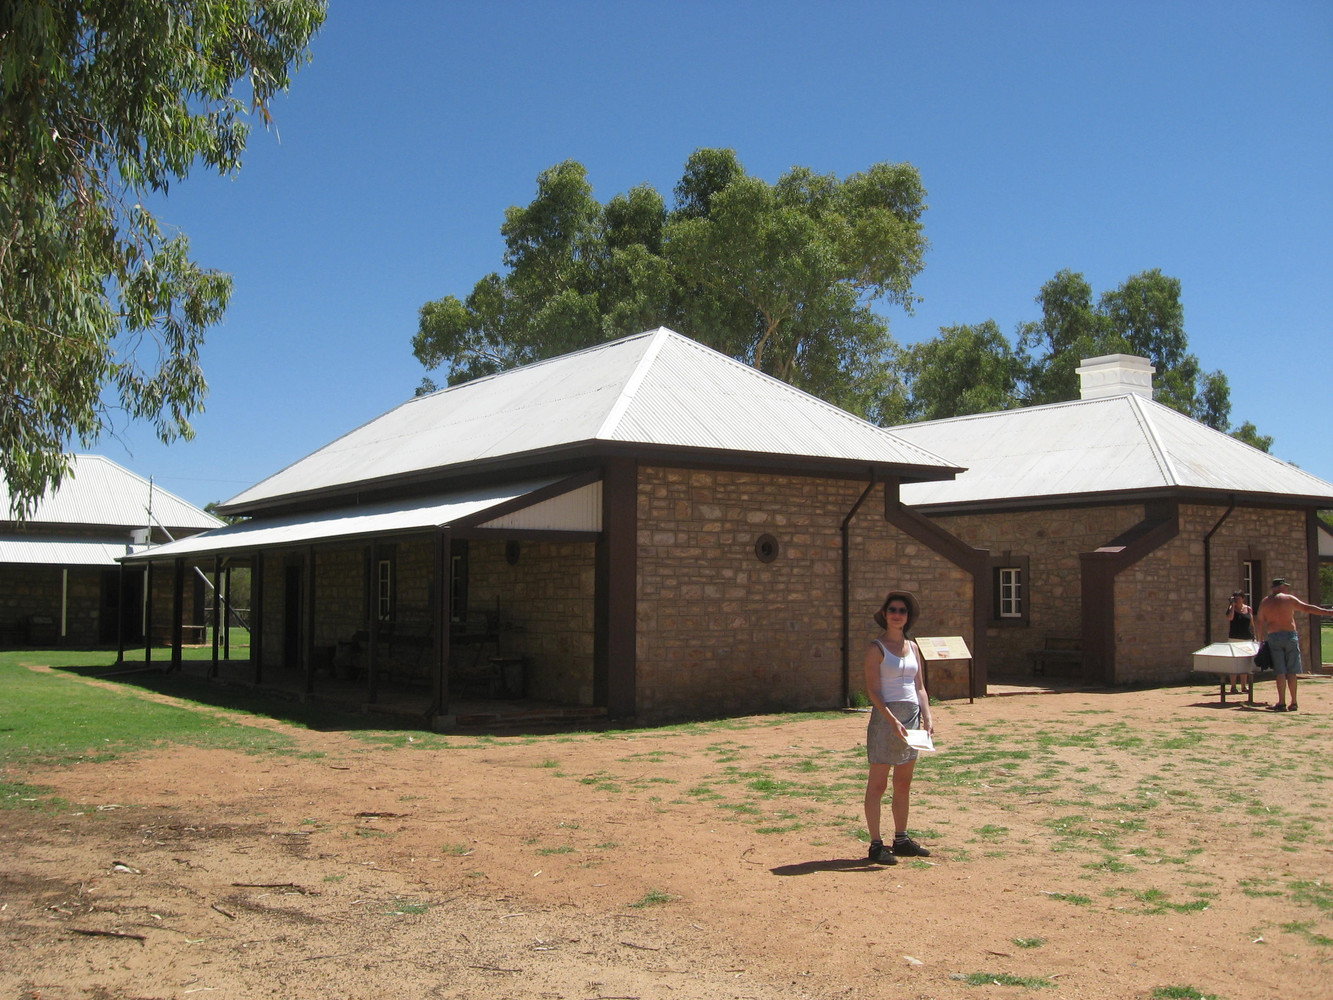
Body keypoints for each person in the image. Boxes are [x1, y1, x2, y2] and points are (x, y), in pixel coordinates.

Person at [863, 590, 934, 865]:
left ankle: (901, 839)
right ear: (884, 614)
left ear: (908, 616)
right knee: (878, 784)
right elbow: (873, 690)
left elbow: (920, 687)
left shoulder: (913, 647)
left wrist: (928, 717)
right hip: (886, 719)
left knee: (903, 782)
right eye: (892, 610)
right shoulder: (876, 648)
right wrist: (891, 719)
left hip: (912, 717)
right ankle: (875, 845)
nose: (897, 614)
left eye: (902, 611)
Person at [1255, 578, 1333, 712]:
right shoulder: (1288, 599)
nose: (1286, 588)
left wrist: (1260, 640)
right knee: (1292, 671)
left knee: (1280, 671)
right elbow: (1307, 608)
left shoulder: (1265, 602)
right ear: (1281, 587)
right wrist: (1327, 612)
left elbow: (1260, 621)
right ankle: (1294, 702)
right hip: (1290, 636)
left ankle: (1281, 702)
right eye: (1285, 586)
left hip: (1274, 636)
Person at [1225, 591, 1254, 694]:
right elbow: (1230, 617)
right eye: (1235, 598)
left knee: (1244, 663)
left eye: (1238, 598)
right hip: (1234, 639)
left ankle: (1243, 686)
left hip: (1246, 639)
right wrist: (1232, 606)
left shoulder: (1248, 609)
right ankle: (1233, 686)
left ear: (1243, 598)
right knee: (1234, 663)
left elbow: (1251, 623)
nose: (1237, 600)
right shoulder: (1231, 608)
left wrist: (1254, 636)